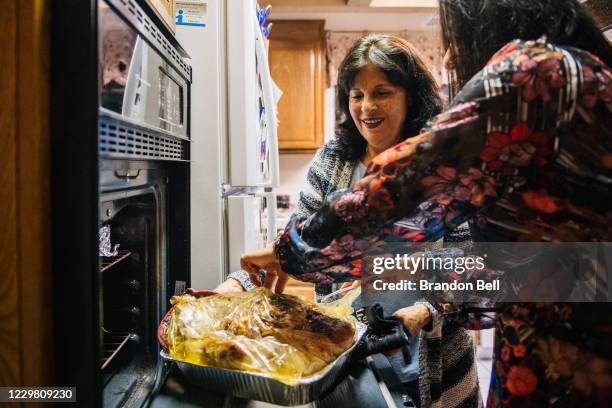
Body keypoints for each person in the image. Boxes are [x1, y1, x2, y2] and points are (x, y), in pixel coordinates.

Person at [240, 0, 612, 407]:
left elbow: (397, 192)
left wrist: (292, 250)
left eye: (456, 32)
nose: (453, 54)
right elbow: (518, 261)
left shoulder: (537, 75)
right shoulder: (583, 72)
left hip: (569, 352)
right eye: (357, 95)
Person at [239, 35, 480, 407]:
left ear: (410, 97)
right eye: (357, 95)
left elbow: (469, 262)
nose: (367, 107)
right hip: (343, 351)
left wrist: (425, 310)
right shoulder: (335, 158)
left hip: (431, 356)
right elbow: (300, 239)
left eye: (382, 92)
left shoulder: (440, 164)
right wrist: (240, 282)